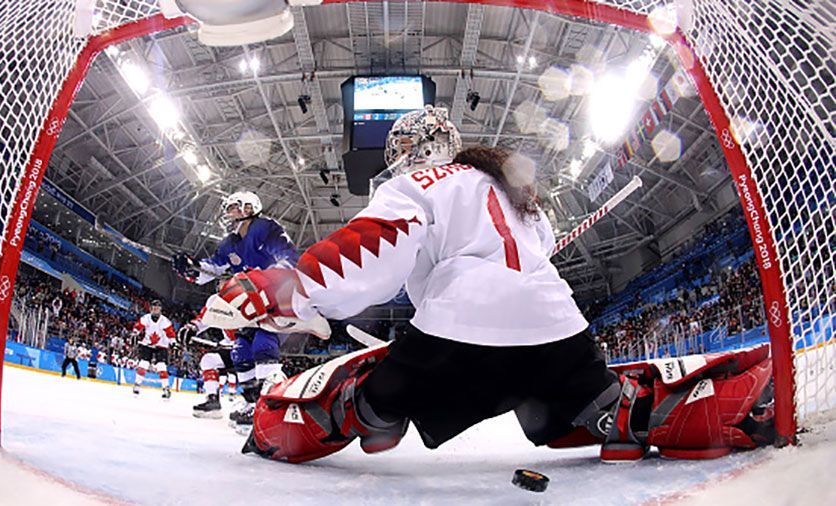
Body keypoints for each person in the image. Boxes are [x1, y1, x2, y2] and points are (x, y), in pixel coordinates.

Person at [198, 105, 776, 464]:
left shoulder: (419, 185)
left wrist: (290, 286)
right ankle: (717, 407)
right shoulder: (516, 193)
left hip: (458, 335)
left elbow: (374, 251)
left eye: (399, 149)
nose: (396, 159)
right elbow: (539, 253)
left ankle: (287, 429)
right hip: (558, 330)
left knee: (363, 405)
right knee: (592, 411)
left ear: (417, 150)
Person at [173, 191, 300, 428]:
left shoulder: (265, 228)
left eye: (234, 207)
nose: (229, 212)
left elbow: (290, 259)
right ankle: (253, 404)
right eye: (228, 207)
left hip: (274, 299)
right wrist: (191, 267)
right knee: (241, 351)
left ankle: (273, 404)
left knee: (263, 344)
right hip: (250, 305)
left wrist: (266, 278)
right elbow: (212, 269)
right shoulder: (229, 243)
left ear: (250, 208)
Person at [131, 300, 176, 398]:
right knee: (144, 363)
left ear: (160, 309)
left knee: (161, 366)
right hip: (146, 344)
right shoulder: (145, 318)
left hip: (161, 345)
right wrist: (135, 333)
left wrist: (173, 341)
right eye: (154, 307)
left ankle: (166, 388)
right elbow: (138, 327)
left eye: (158, 307)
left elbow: (170, 333)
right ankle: (137, 385)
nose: (155, 309)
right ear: (151, 308)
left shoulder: (165, 321)